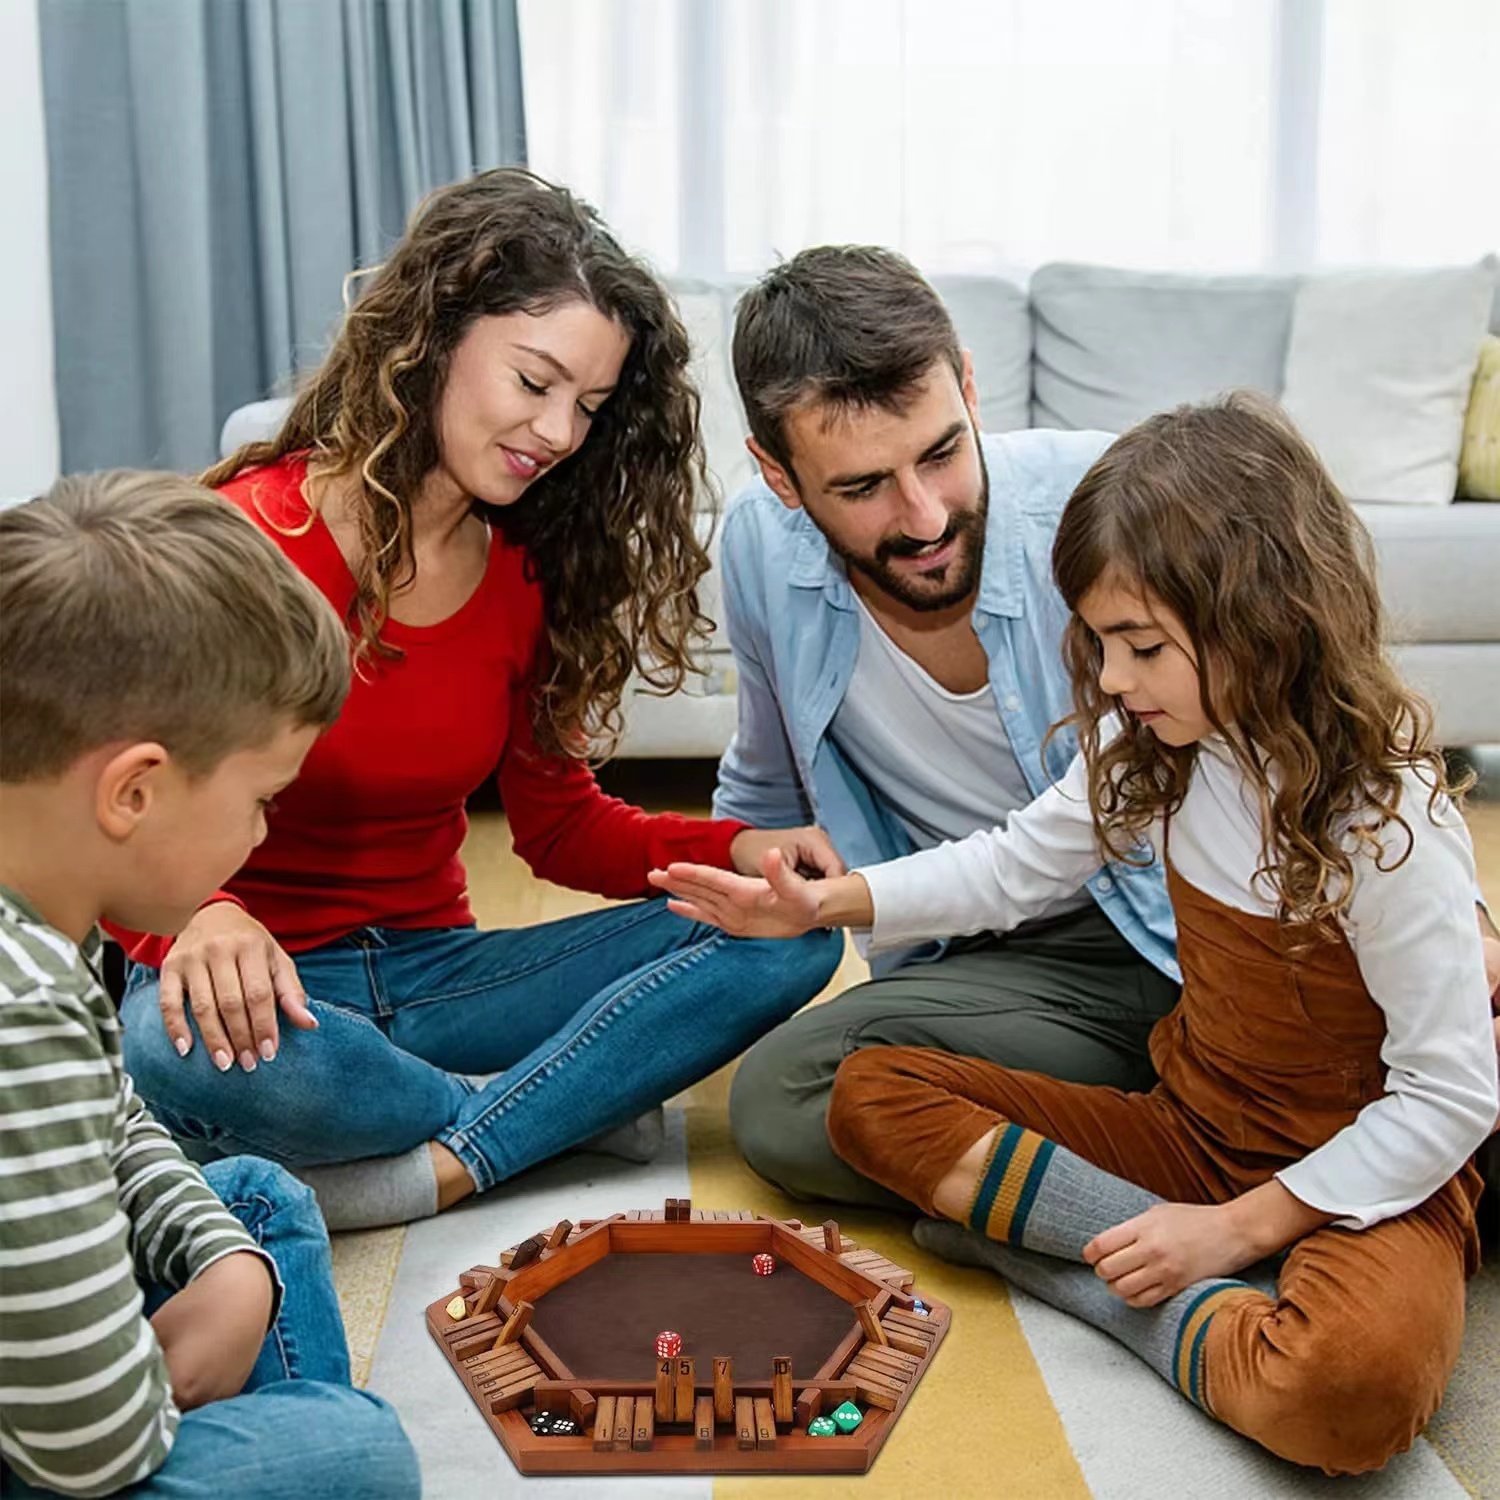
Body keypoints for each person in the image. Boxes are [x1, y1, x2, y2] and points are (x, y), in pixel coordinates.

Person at [655, 396, 1500, 1474]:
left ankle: (1085, 1269)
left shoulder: (1382, 817)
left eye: (1139, 646)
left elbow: (1448, 1100)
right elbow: (1014, 862)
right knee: (872, 1096)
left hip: (1366, 1174)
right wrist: (830, 902)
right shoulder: (1157, 744)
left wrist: (1240, 1232)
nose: (1109, 680)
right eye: (1098, 644)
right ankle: (1154, 1257)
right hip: (1193, 1135)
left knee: (1347, 1392)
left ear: (1262, 620)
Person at [116, 169, 842, 1230]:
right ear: (435, 337)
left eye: (588, 408)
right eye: (533, 382)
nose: (556, 432)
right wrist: (199, 915)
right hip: (255, 985)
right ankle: (552, 1110)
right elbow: (105, 796)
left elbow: (559, 827)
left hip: (441, 979)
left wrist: (738, 849)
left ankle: (445, 1153)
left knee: (793, 938)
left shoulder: (524, 569)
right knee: (165, 1050)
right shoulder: (246, 538)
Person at [695, 246, 1180, 1206]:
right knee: (784, 1103)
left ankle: (1066, 1185)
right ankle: (1182, 1151)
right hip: (999, 967)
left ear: (966, 386)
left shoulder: (1100, 503)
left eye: (942, 453)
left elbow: (1313, 732)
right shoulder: (759, 547)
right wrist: (753, 874)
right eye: (863, 486)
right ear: (780, 476)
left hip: (1184, 939)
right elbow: (761, 798)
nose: (924, 518)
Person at [0, 473, 419, 1499]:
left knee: (256, 1211)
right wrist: (158, 1384)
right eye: (261, 800)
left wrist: (228, 1276)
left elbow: (115, 1121)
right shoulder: (24, 1013)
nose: (262, 836)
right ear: (132, 791)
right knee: (359, 1453)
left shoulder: (40, 923)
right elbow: (89, 1449)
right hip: (67, 1441)